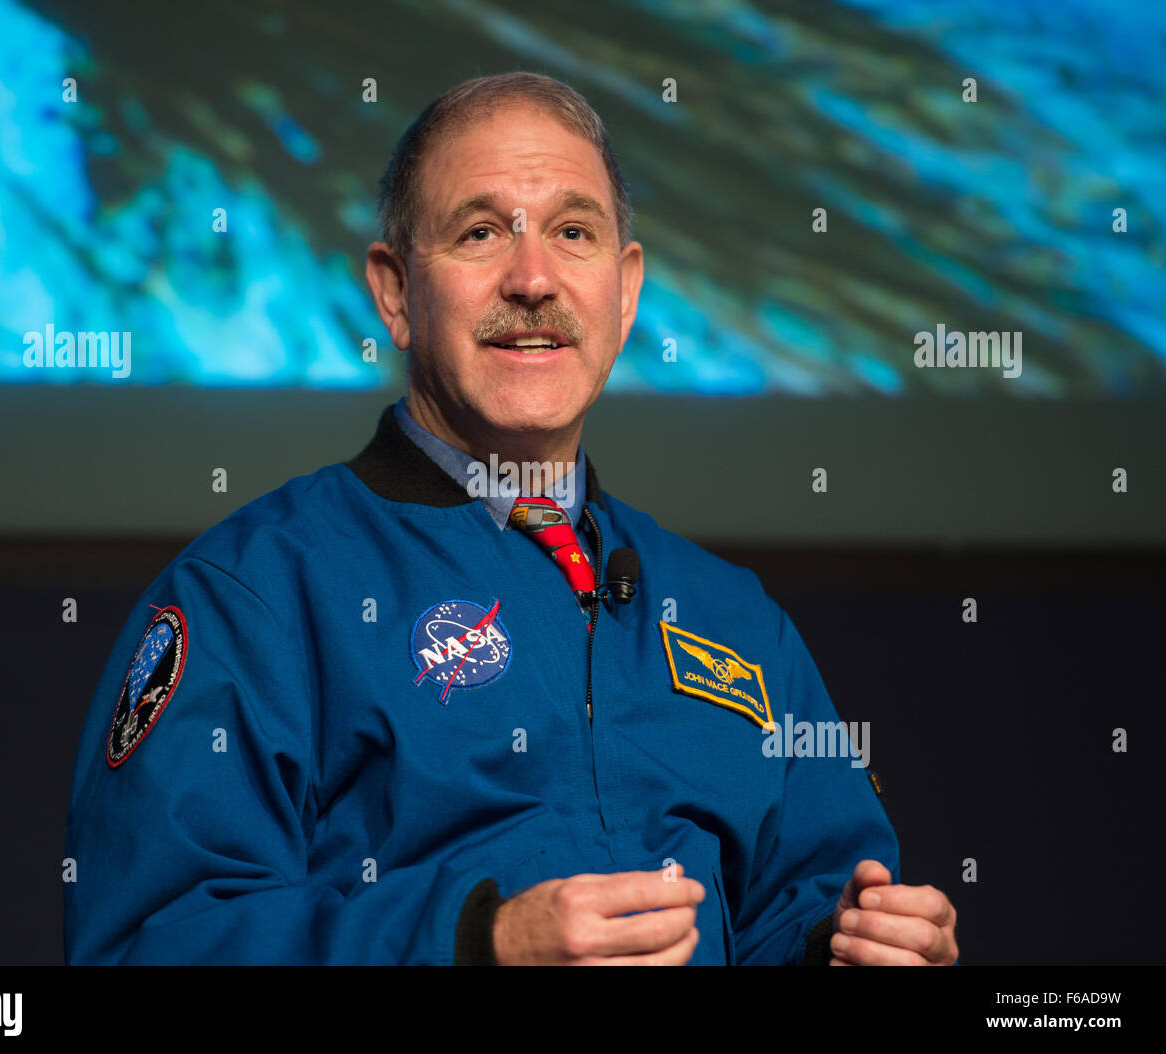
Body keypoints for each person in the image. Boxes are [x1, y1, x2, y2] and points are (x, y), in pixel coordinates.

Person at [64, 72, 958, 966]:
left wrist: (846, 947)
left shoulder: (739, 620)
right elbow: (151, 943)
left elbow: (804, 895)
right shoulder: (255, 595)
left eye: (574, 234)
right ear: (394, 293)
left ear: (626, 288)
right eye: (481, 232)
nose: (533, 279)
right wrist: (479, 947)